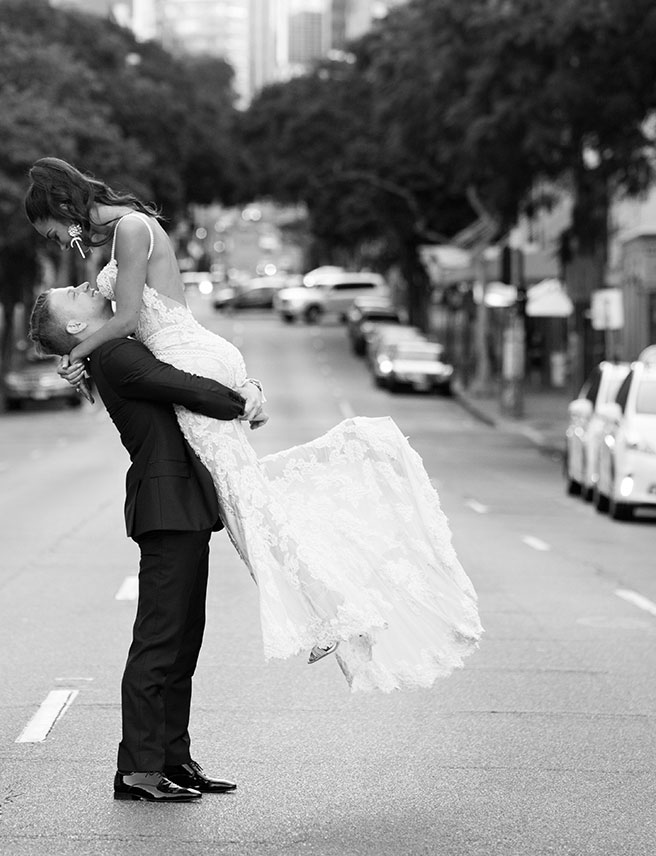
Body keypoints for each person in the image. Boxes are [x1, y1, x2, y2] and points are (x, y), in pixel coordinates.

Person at [25, 158, 482, 691]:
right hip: (198, 356)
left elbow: (127, 320)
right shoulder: (123, 228)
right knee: (242, 494)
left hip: (188, 357)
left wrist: (75, 352)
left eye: (51, 231)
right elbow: (107, 314)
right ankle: (331, 608)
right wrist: (77, 350)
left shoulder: (128, 229)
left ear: (62, 208)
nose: (57, 242)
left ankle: (334, 609)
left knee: (243, 499)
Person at [29, 286, 265, 803]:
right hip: (166, 505)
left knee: (183, 641)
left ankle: (172, 759)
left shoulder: (107, 348)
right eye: (71, 293)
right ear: (74, 327)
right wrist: (245, 399)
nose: (84, 285)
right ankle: (138, 769)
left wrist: (248, 386)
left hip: (183, 503)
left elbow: (182, 361)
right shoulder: (112, 351)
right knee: (159, 642)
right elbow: (182, 385)